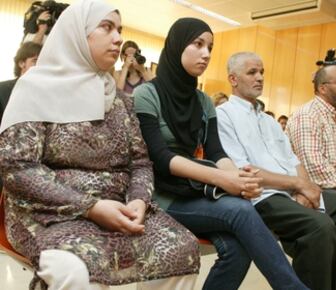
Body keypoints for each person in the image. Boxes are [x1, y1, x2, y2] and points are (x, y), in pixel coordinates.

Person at [0, 1, 200, 289]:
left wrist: (138, 201)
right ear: (77, 35)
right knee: (79, 268)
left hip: (119, 206)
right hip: (50, 211)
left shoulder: (119, 99)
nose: (118, 37)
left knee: (182, 248)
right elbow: (17, 167)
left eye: (119, 29)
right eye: (106, 27)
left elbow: (140, 162)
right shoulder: (36, 87)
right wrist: (90, 207)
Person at [134, 18, 308, 290]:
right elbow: (160, 156)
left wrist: (240, 178)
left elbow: (216, 151)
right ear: (177, 45)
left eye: (210, 47)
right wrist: (223, 180)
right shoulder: (146, 94)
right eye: (197, 44)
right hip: (160, 195)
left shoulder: (203, 101)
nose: (206, 54)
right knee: (241, 211)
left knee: (238, 249)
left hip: (194, 191)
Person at [217, 52, 336, 290]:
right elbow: (243, 171)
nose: (260, 78)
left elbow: (294, 161)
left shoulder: (267, 121)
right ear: (233, 79)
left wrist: (306, 188)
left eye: (262, 72)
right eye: (252, 72)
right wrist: (298, 185)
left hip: (298, 190)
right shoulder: (223, 115)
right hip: (264, 195)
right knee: (322, 228)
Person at [0, 42, 42, 124]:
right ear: (22, 63)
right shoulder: (2, 90)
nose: (40, 65)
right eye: (35, 60)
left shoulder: (47, 93)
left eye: (42, 61)